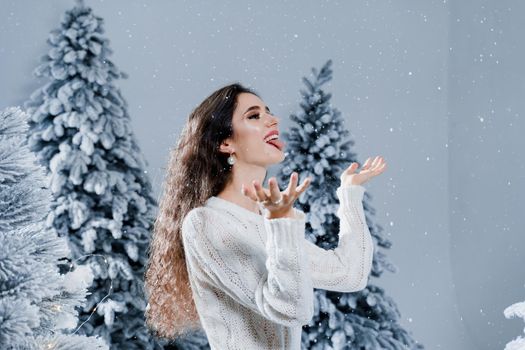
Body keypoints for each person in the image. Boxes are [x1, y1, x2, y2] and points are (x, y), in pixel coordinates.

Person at [144, 82, 386, 349]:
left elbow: (350, 274)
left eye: (268, 112)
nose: (273, 120)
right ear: (226, 143)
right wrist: (282, 223)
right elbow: (290, 308)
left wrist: (350, 194)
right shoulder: (204, 223)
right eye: (254, 115)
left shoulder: (266, 220)